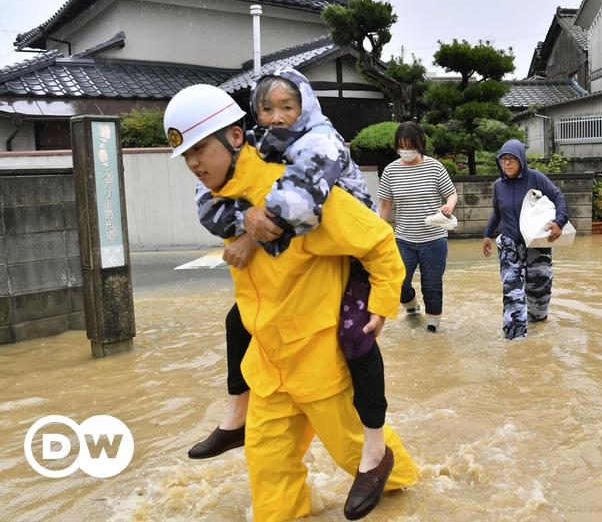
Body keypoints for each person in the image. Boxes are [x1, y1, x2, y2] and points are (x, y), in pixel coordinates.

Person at [164, 84, 417, 522]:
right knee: (268, 474)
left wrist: (381, 302)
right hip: (269, 368)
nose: (193, 163)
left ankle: (413, 494)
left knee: (361, 457)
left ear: (235, 138)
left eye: (200, 149)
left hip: (321, 365)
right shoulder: (224, 204)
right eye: (186, 155)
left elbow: (377, 238)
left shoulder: (302, 194)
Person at [482, 139, 568, 340]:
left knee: (540, 291)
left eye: (512, 159)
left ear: (521, 159)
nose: (508, 164)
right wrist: (488, 234)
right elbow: (497, 212)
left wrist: (559, 222)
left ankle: (537, 325)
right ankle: (515, 340)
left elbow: (559, 198)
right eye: (504, 160)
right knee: (512, 293)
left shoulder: (535, 178)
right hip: (509, 244)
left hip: (537, 244)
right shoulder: (499, 185)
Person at [376, 122, 458, 332]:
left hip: (434, 240)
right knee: (399, 283)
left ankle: (433, 328)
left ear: (420, 144)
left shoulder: (434, 167)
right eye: (401, 145)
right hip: (404, 240)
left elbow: (451, 193)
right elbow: (385, 206)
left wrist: (449, 205)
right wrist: (377, 232)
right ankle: (411, 305)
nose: (406, 150)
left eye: (410, 145)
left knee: (432, 286)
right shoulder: (390, 171)